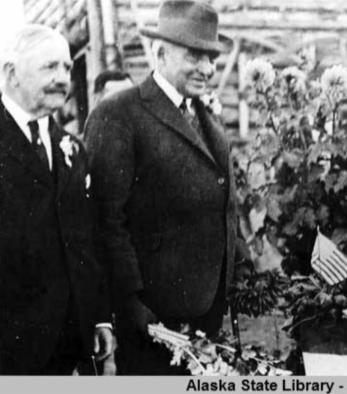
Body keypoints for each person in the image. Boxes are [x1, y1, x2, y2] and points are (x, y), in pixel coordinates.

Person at [85, 0, 244, 375]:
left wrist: (240, 269)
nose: (207, 69)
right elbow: (106, 222)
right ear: (160, 53)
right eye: (195, 56)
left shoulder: (207, 120)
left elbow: (224, 205)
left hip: (206, 318)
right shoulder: (119, 115)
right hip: (151, 326)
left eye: (212, 58)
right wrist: (131, 304)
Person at [0, 24, 114, 375]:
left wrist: (99, 318)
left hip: (69, 346)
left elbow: (83, 239)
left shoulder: (71, 149)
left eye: (66, 68)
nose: (63, 78)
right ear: (11, 73)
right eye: (50, 67)